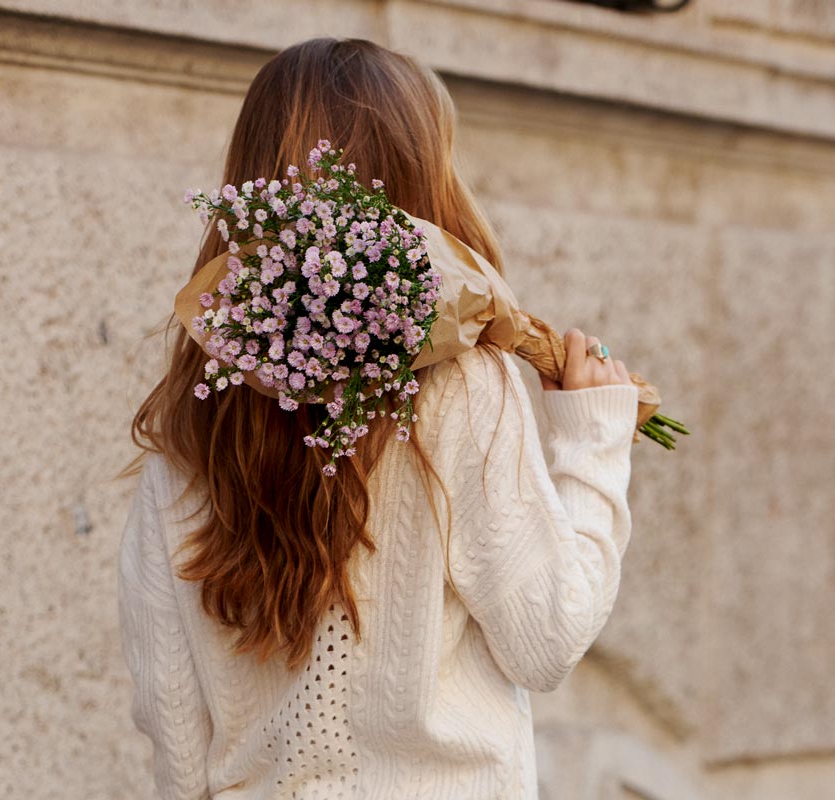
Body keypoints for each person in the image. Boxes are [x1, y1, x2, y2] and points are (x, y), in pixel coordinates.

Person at [116, 36, 640, 800]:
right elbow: (545, 638)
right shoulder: (463, 387)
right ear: (423, 184)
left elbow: (172, 721)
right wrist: (593, 438)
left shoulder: (193, 428)